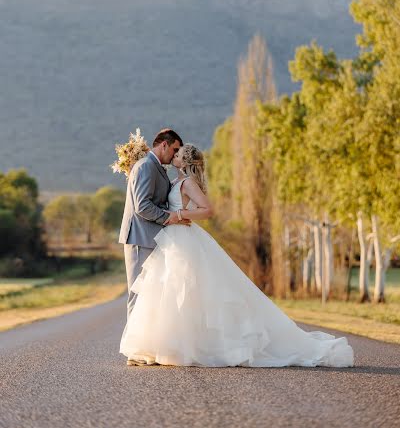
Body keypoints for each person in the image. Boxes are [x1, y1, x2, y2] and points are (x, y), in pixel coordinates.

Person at [120, 143, 354, 368]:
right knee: (173, 293)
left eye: (178, 153)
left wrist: (180, 214)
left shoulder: (189, 182)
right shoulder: (176, 181)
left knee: (186, 291)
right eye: (175, 151)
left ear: (186, 160)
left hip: (182, 239)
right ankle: (172, 345)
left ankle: (190, 346)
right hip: (171, 240)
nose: (175, 155)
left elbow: (208, 210)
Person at [118, 128, 189, 323]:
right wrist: (171, 217)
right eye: (175, 150)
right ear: (164, 144)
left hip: (151, 237)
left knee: (151, 294)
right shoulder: (146, 167)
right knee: (139, 292)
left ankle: (145, 346)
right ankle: (134, 349)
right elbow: (143, 206)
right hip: (140, 238)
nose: (176, 155)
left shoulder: (155, 167)